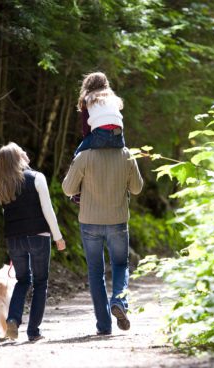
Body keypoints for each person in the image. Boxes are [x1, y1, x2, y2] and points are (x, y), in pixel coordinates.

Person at [62, 90, 144, 335]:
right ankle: (119, 302)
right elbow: (138, 189)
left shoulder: (84, 155)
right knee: (120, 264)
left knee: (95, 273)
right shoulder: (126, 154)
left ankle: (103, 325)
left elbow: (67, 188)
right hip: (118, 220)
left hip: (89, 222)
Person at [0, 142, 66, 342]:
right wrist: (58, 237)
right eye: (21, 151)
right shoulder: (37, 177)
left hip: (14, 239)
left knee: (23, 280)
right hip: (38, 237)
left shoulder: (3, 185)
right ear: (17, 158)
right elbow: (48, 209)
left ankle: (13, 319)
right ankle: (33, 332)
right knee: (40, 282)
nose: (25, 152)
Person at [70, 71, 127, 204]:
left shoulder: (88, 99)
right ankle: (126, 195)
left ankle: (77, 195)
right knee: (124, 161)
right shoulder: (114, 99)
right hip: (119, 136)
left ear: (88, 85)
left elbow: (86, 128)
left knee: (77, 155)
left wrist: (87, 142)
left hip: (100, 135)